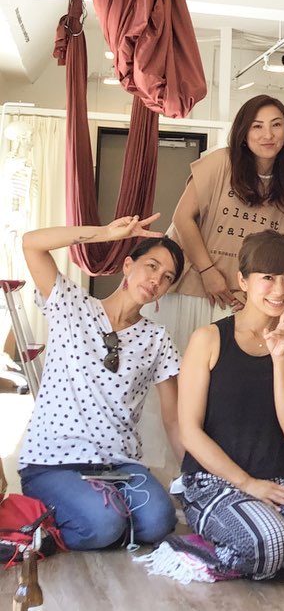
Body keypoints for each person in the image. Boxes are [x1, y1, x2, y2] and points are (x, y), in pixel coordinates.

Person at [178, 230, 284, 580]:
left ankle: (263, 531)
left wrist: (280, 357)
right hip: (217, 479)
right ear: (243, 280)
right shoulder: (208, 339)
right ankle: (212, 544)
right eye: (267, 277)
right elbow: (189, 432)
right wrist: (247, 483)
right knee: (271, 544)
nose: (279, 290)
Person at [18, 215, 183, 551]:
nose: (156, 280)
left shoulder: (157, 339)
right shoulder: (71, 305)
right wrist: (104, 233)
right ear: (128, 265)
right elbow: (31, 243)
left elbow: (174, 417)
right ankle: (44, 528)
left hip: (118, 465)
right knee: (104, 524)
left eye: (167, 277)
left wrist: (193, 474)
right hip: (54, 462)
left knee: (159, 521)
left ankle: (100, 508)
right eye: (151, 266)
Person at [157, 94, 284, 352]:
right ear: (243, 133)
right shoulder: (221, 162)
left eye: (276, 125)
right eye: (257, 126)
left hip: (240, 302)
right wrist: (207, 271)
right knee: (179, 368)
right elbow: (182, 218)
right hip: (193, 288)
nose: (267, 134)